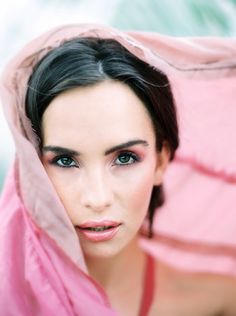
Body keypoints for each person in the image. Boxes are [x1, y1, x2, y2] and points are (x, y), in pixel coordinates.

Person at [0, 24, 236, 316]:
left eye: (125, 158)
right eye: (64, 161)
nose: (97, 198)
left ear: (161, 160)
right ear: (34, 170)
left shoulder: (218, 303)